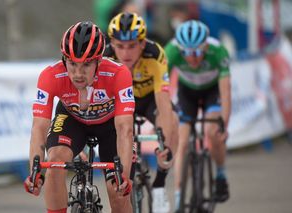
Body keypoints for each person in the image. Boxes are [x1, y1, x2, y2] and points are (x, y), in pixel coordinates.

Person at [23, 21, 135, 213]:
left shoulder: (118, 74)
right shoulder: (51, 76)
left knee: (116, 189)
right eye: (72, 64)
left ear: (99, 61)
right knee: (55, 163)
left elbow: (125, 129)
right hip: (72, 120)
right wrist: (35, 172)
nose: (78, 73)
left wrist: (123, 174)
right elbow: (39, 127)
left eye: (86, 65)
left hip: (110, 125)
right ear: (64, 59)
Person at [105, 12, 179, 213]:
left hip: (148, 100)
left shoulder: (156, 54)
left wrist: (164, 141)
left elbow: (163, 101)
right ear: (112, 43)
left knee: (172, 119)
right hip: (120, 101)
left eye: (132, 46)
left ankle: (160, 185)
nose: (126, 53)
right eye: (120, 46)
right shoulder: (105, 58)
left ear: (143, 43)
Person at [164, 20, 231, 209]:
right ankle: (178, 198)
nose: (192, 58)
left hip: (212, 91)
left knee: (212, 131)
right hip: (187, 93)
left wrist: (224, 124)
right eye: (186, 53)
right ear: (180, 49)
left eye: (197, 52)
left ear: (206, 46)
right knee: (182, 142)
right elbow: (163, 89)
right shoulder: (171, 51)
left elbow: (225, 91)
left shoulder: (218, 51)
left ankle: (220, 174)